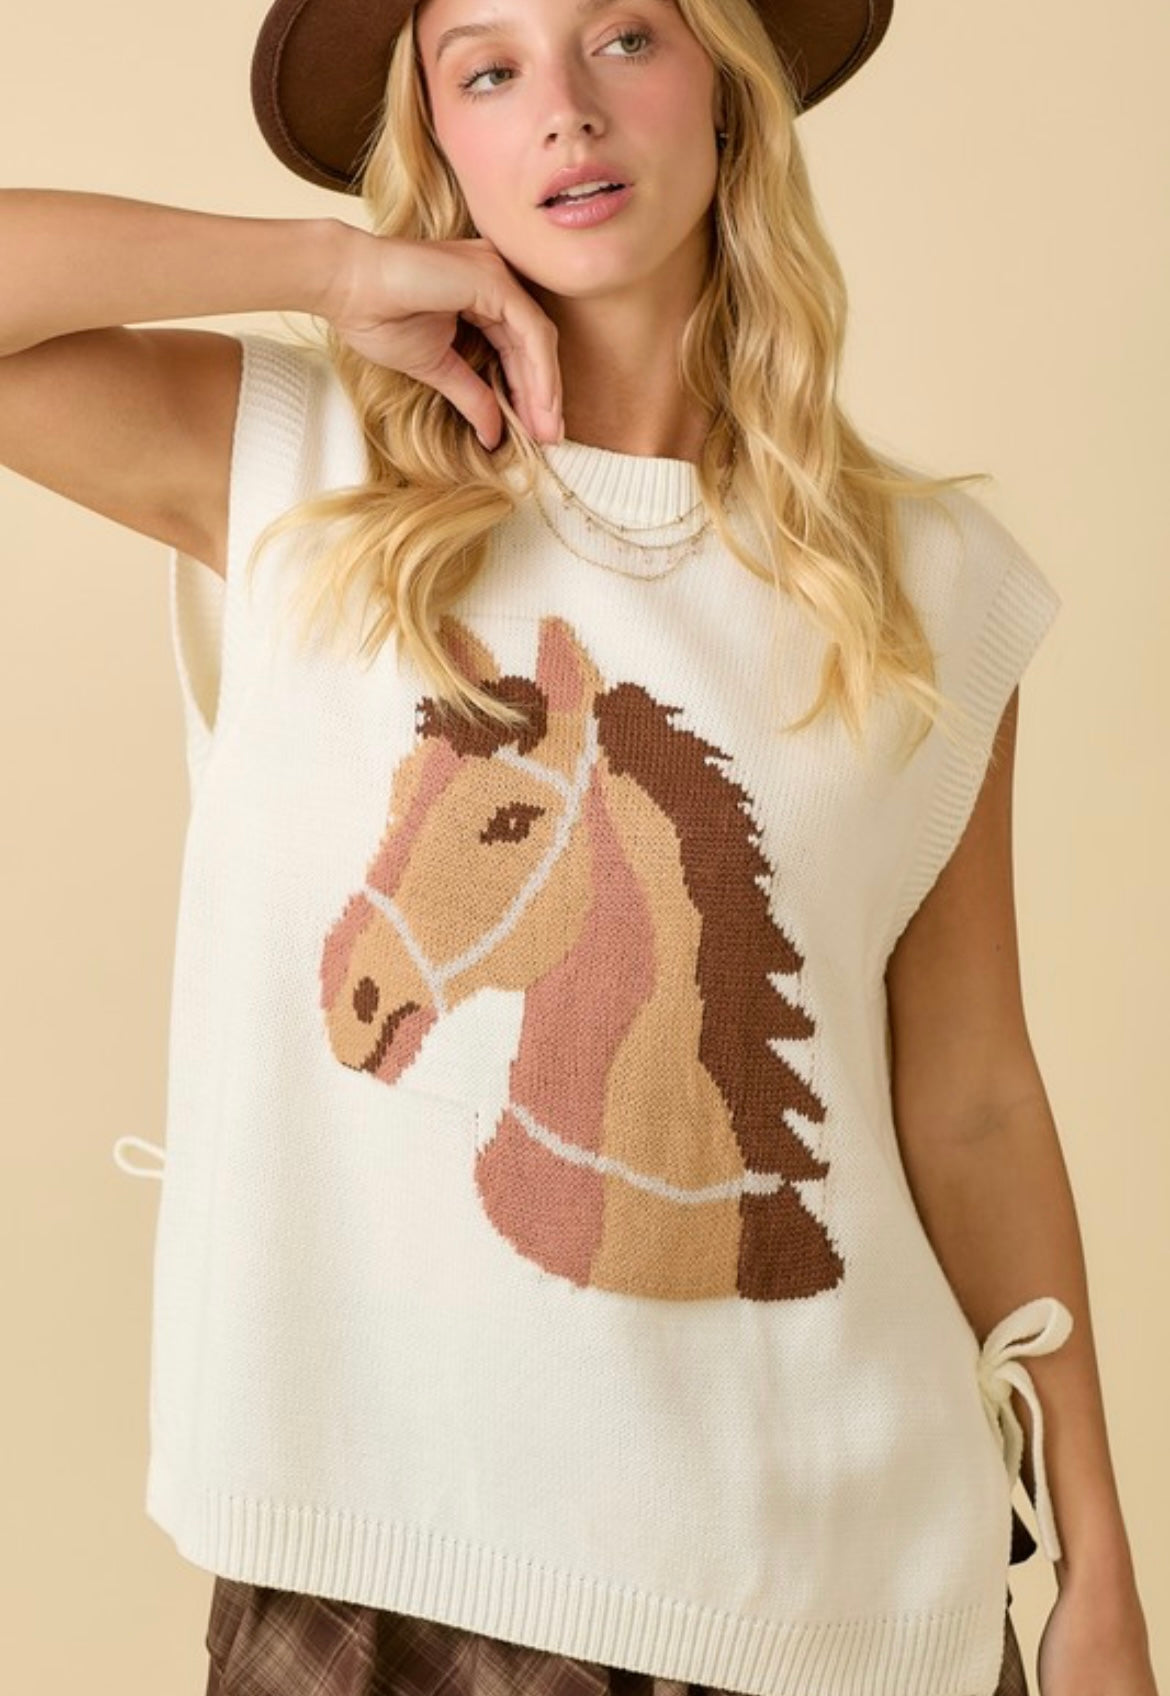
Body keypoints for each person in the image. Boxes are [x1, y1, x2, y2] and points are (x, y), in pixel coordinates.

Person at [0, 0, 1157, 1693]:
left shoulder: (926, 585)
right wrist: (328, 270)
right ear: (438, 145)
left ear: (725, 92)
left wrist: (1096, 1565)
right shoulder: (295, 467)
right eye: (487, 68)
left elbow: (971, 1096)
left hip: (838, 1593)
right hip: (384, 1562)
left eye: (623, 37)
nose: (564, 109)